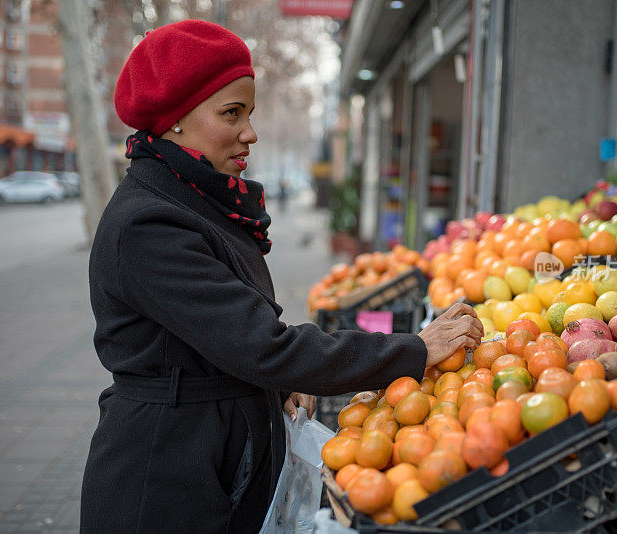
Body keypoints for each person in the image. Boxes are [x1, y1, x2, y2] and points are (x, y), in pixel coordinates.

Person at [80, 20, 483, 534]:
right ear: (174, 117)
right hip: (168, 479)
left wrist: (275, 383)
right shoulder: (149, 224)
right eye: (232, 113)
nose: (251, 132)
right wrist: (415, 349)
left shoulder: (197, 199)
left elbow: (231, 338)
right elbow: (262, 346)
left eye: (249, 113)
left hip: (211, 454)